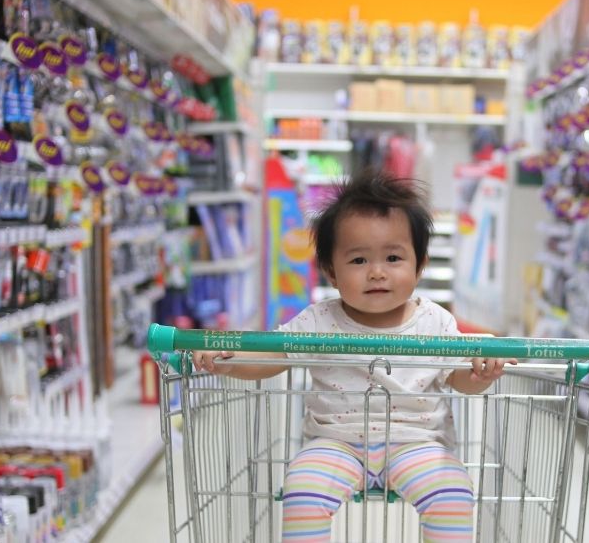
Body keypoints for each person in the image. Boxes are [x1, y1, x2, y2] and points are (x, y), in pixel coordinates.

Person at [191, 169, 515, 542]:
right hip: (334, 443)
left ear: (419, 265)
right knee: (301, 493)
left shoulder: (435, 320)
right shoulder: (319, 319)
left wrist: (479, 375)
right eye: (358, 261)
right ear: (331, 270)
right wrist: (229, 356)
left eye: (393, 257)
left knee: (452, 495)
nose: (377, 272)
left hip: (418, 441)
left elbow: (458, 378)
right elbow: (271, 354)